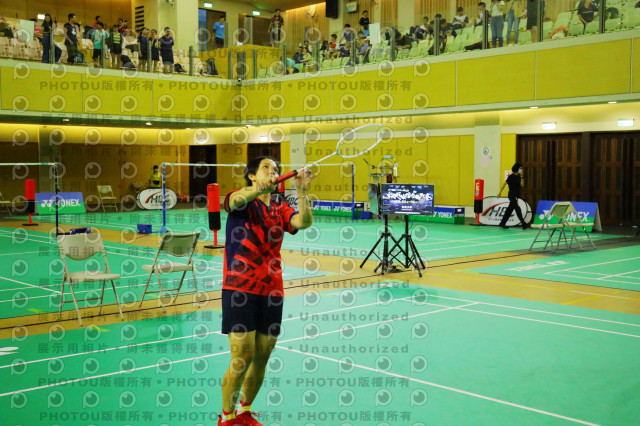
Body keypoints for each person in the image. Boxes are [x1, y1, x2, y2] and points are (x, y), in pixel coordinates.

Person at [218, 157, 314, 426]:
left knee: (262, 356)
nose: (273, 172)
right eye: (266, 168)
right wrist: (258, 189)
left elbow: (303, 222)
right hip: (240, 288)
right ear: (251, 175)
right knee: (242, 357)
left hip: (272, 289)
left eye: (276, 169)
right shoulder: (243, 200)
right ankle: (227, 418)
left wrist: (301, 190)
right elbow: (233, 201)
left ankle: (245, 412)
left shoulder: (280, 206)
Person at [498, 163, 530, 229]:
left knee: (509, 210)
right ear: (517, 168)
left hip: (516, 195)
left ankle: (502, 223)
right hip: (511, 195)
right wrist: (499, 192)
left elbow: (522, 185)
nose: (521, 170)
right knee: (517, 208)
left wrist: (522, 176)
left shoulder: (519, 177)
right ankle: (523, 224)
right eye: (520, 168)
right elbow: (504, 184)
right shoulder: (511, 176)